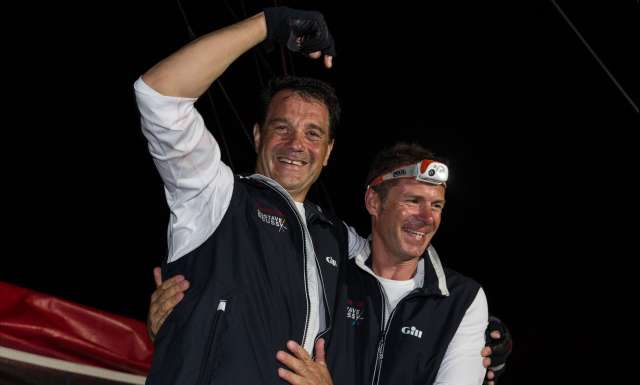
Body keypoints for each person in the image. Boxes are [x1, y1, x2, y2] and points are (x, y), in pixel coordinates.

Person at [137, 6, 506, 385]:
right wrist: (269, 24)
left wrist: (481, 332)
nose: (296, 144)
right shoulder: (214, 194)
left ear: (329, 151)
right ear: (258, 135)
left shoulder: (334, 239)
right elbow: (159, 96)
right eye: (282, 128)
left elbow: (396, 264)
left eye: (313, 133)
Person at [276, 143, 489, 385]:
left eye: (436, 205)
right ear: (374, 202)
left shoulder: (462, 300)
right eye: (413, 201)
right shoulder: (329, 271)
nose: (427, 218)